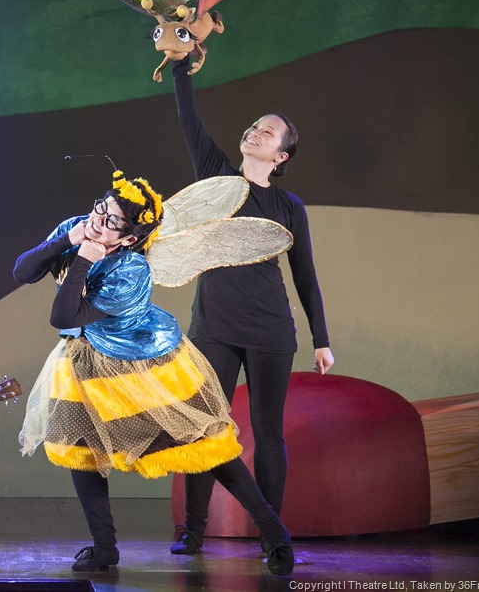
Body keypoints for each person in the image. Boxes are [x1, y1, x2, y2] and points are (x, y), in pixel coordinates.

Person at [15, 170, 294, 576]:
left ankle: (274, 531)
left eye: (112, 221)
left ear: (130, 238)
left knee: (206, 446)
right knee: (80, 449)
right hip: (84, 359)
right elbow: (22, 272)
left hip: (139, 363)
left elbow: (63, 315)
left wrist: (84, 258)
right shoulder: (79, 228)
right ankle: (105, 547)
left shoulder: (131, 269)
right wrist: (67, 240)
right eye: (100, 208)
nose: (98, 220)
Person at [169, 57, 334, 557]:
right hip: (214, 327)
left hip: (270, 332)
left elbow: (305, 276)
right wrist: (180, 68)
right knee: (205, 427)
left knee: (268, 434)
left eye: (268, 131)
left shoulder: (289, 207)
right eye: (255, 125)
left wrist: (321, 340)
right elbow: (190, 122)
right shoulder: (216, 177)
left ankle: (271, 535)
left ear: (281, 155)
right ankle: (193, 530)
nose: (255, 131)